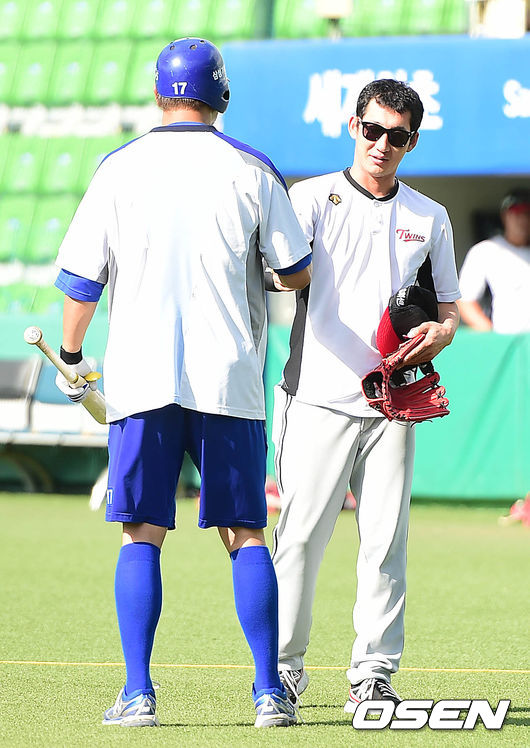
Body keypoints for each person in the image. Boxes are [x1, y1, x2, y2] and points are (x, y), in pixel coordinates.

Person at [53, 37, 312, 728]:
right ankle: (268, 693)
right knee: (246, 532)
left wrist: (72, 356)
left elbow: (81, 284)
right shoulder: (252, 168)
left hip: (139, 382)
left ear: (158, 93)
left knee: (141, 531)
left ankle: (138, 693)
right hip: (228, 380)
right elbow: (295, 272)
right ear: (220, 94)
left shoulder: (118, 167)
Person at [270, 79, 460, 717]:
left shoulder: (431, 217)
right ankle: (282, 672)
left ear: (412, 141)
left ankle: (374, 675)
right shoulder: (309, 198)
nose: (382, 144)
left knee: (386, 543)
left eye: (397, 136)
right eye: (373, 130)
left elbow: (449, 311)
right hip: (316, 396)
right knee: (299, 540)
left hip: (394, 403)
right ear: (353, 126)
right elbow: (277, 276)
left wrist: (440, 334)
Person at [457, 188, 530, 332]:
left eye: (527, 214)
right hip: (506, 338)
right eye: (516, 213)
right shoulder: (486, 251)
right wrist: (491, 334)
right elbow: (464, 300)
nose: (523, 220)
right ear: (504, 216)